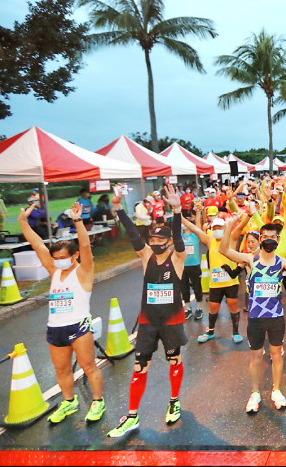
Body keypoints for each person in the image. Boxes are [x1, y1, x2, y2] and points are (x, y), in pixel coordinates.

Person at [108, 184, 187, 438]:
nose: (155, 244)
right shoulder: (146, 257)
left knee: (174, 360)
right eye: (152, 240)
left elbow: (178, 238)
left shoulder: (177, 258)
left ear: (169, 243)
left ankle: (174, 400)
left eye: (160, 240)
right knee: (140, 366)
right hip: (148, 321)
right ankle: (132, 416)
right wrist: (119, 208)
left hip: (172, 321)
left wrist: (177, 211)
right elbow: (133, 234)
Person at [18, 201, 105, 424]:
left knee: (88, 366)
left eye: (63, 257)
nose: (58, 262)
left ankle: (97, 401)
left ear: (74, 256)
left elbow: (85, 246)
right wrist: (23, 222)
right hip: (55, 328)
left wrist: (78, 220)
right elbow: (37, 245)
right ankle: (69, 401)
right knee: (61, 369)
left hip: (79, 327)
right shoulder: (54, 270)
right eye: (55, 258)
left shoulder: (84, 271)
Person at [218, 219, 286, 413]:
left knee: (276, 356)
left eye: (273, 237)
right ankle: (255, 393)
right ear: (260, 239)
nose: (269, 240)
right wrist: (229, 227)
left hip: (276, 318)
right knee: (256, 357)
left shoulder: (282, 262)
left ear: (278, 239)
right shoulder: (250, 260)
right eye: (265, 237)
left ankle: (276, 390)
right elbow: (223, 250)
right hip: (256, 319)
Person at [182, 215, 244, 344]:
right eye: (214, 227)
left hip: (230, 282)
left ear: (224, 228)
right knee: (213, 308)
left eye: (219, 227)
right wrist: (179, 216)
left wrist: (249, 215)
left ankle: (236, 332)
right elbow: (194, 229)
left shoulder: (231, 238)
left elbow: (241, 227)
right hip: (215, 284)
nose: (217, 230)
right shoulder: (210, 240)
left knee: (233, 307)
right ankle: (210, 331)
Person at [180, 216, 203, 321]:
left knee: (197, 287)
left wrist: (198, 212)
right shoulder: (179, 236)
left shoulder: (195, 236)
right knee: (184, 288)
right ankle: (187, 308)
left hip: (194, 265)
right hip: (182, 266)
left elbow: (198, 226)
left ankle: (199, 308)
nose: (184, 224)